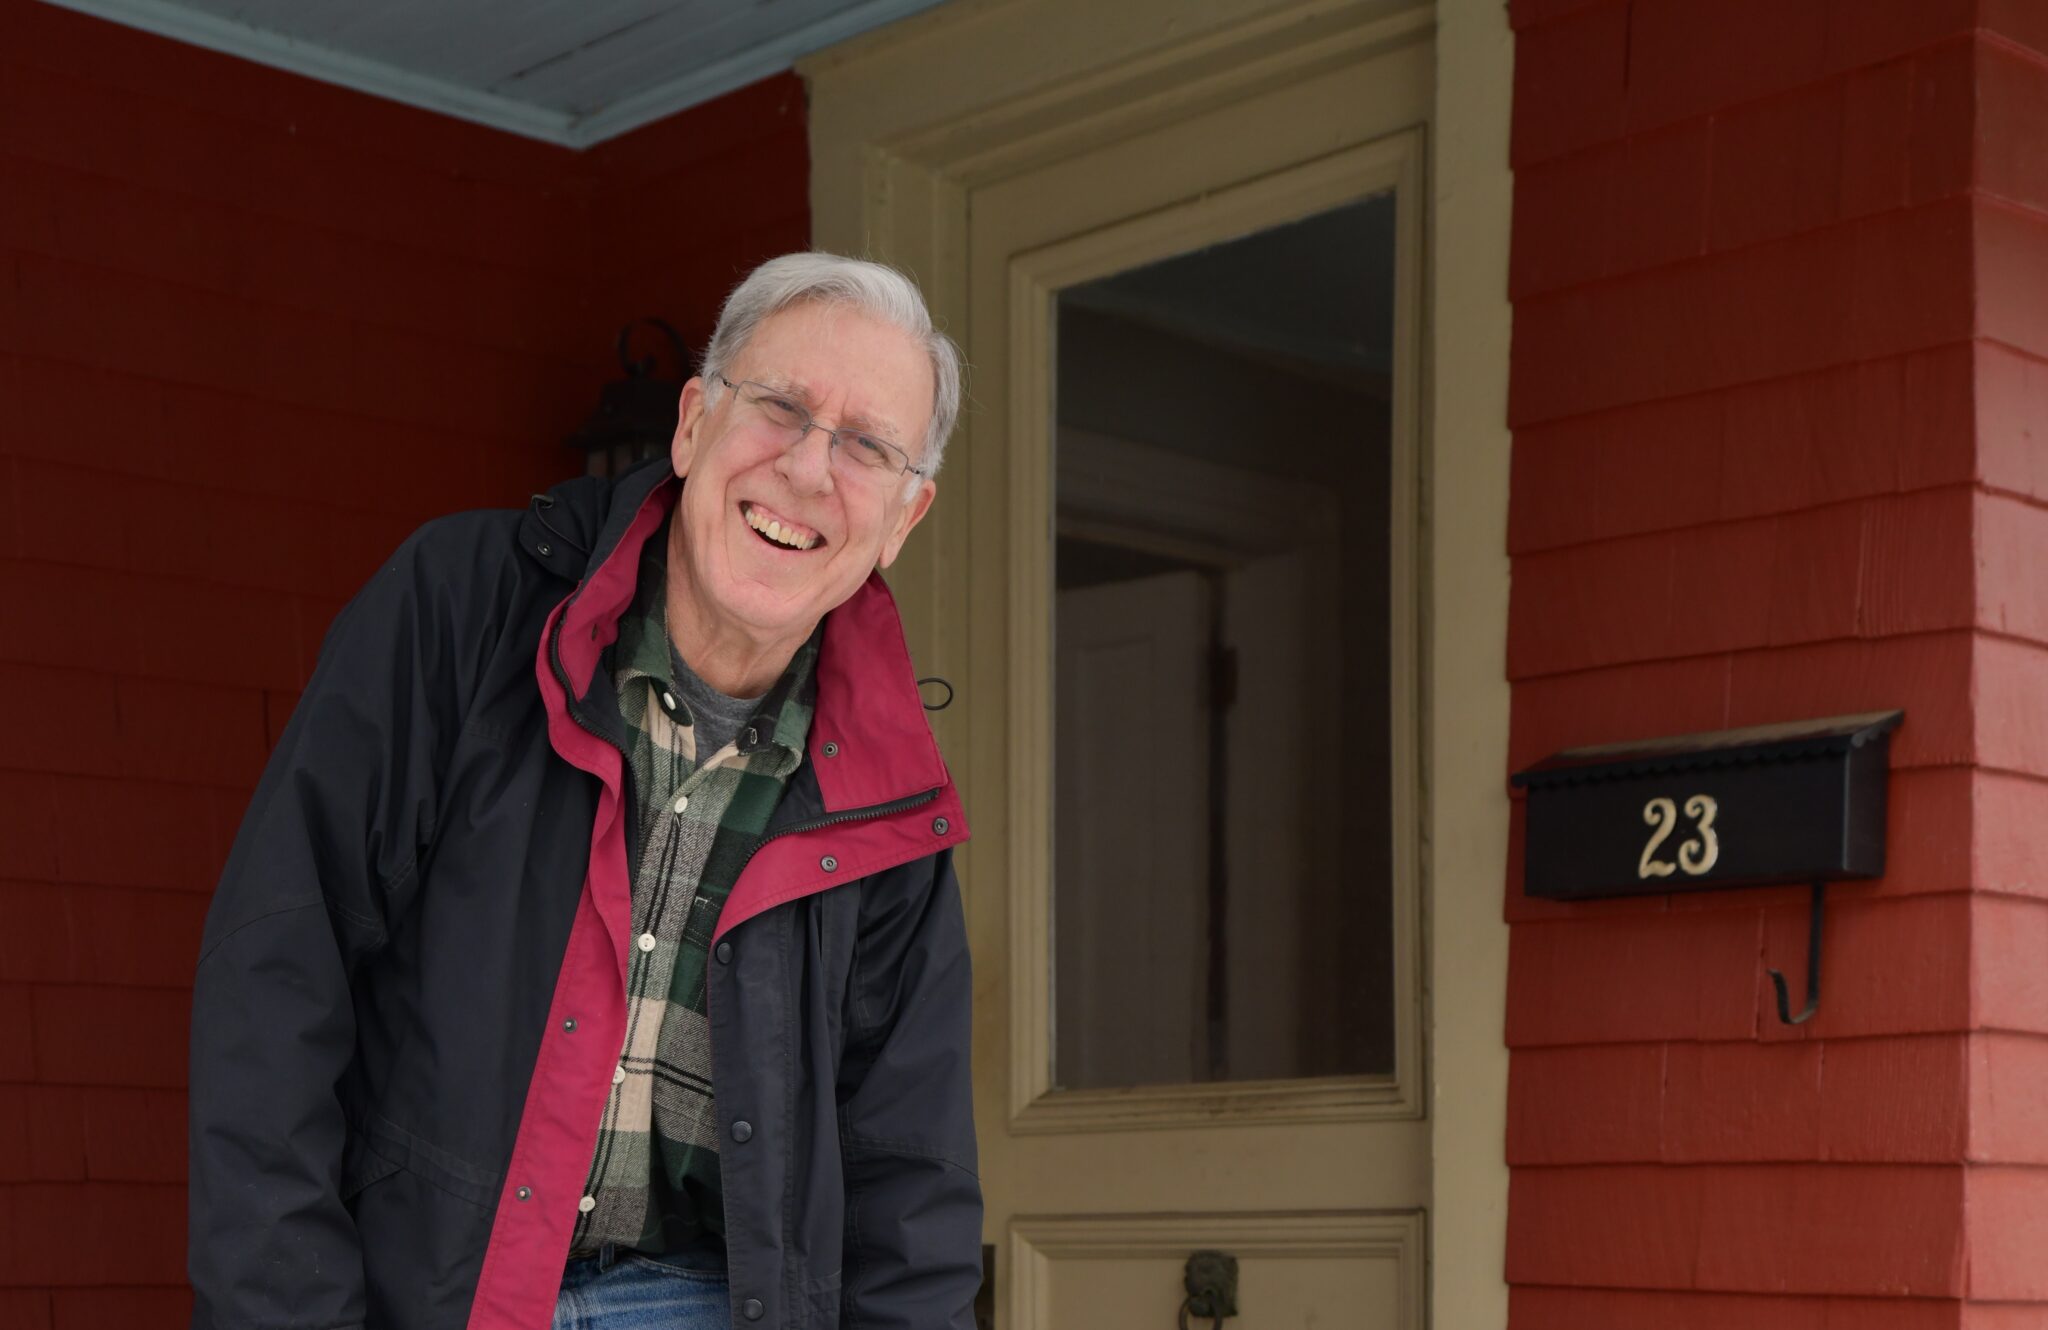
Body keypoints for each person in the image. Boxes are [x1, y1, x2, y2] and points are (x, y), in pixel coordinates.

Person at [188, 253, 980, 1330]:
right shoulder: (459, 611)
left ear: (902, 516)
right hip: (424, 1295)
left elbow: (911, 1184)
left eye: (864, 446)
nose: (805, 468)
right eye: (780, 407)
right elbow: (276, 980)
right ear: (694, 423)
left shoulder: (889, 791)